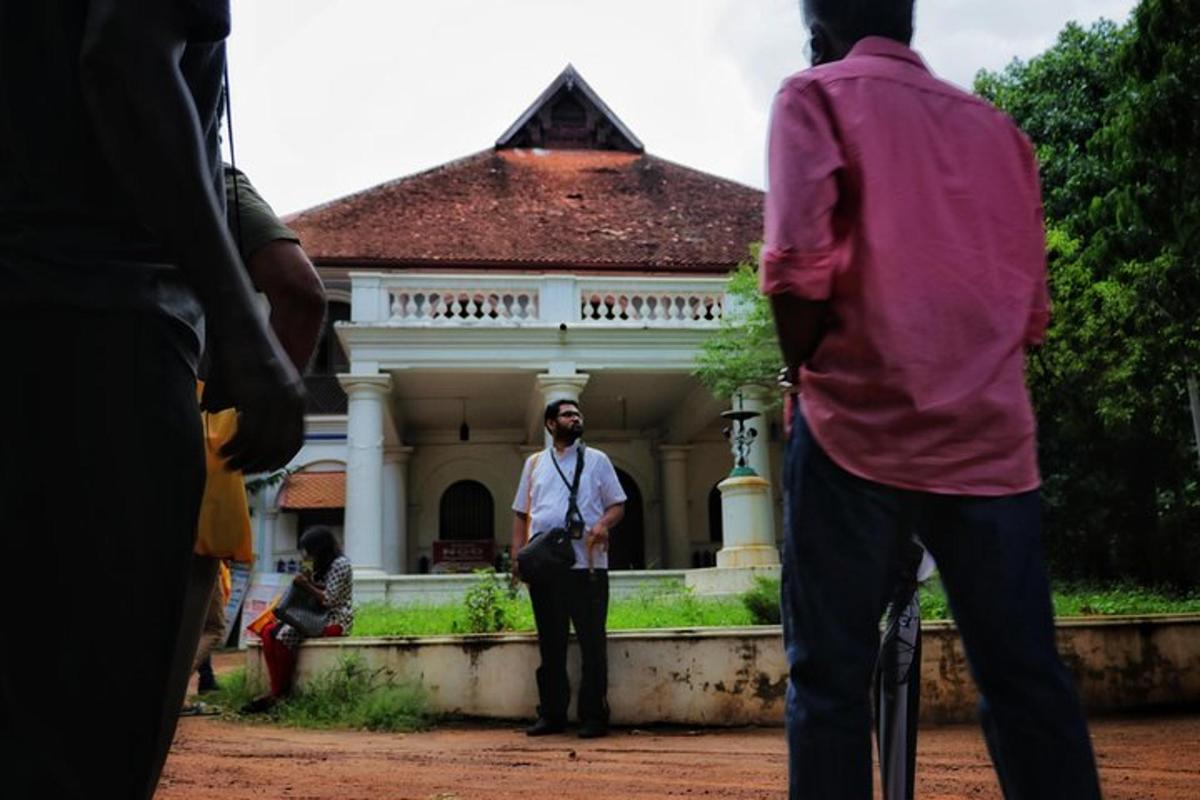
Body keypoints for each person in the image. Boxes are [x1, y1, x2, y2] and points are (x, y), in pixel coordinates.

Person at [761, 1, 1102, 798]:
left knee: (829, 684)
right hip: (990, 445)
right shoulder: (999, 133)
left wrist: (800, 369)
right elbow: (1030, 317)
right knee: (1026, 682)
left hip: (855, 427)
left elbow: (797, 272)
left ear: (818, 29)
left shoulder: (812, 96)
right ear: (907, 22)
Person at [0, 3, 305, 798]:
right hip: (104, 340)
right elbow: (126, 60)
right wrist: (244, 330)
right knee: (99, 729)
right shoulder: (206, 173)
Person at [511, 400, 626, 738]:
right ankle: (551, 715)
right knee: (551, 645)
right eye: (567, 414)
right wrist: (518, 558)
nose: (575, 418)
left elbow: (617, 504)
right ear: (550, 423)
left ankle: (593, 717)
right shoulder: (534, 464)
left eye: (578, 414)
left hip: (587, 565)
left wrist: (604, 523)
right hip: (545, 568)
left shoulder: (597, 460)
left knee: (592, 644)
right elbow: (520, 513)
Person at [243, 526, 354, 712]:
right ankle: (275, 689)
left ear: (320, 549)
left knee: (284, 635)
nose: (306, 555)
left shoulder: (340, 564)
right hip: (315, 616)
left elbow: (330, 599)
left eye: (309, 551)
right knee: (268, 631)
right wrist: (308, 580)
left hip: (334, 620)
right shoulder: (322, 565)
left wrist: (307, 586)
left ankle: (281, 694)